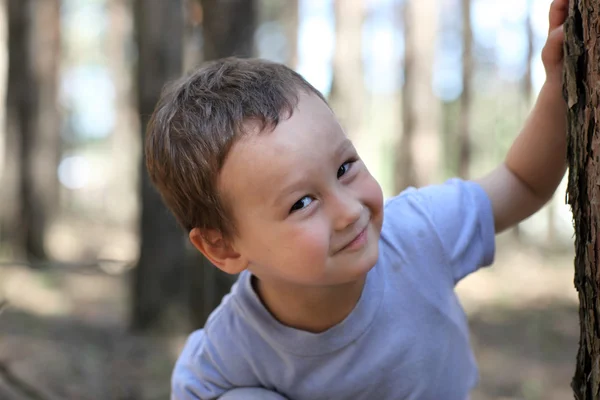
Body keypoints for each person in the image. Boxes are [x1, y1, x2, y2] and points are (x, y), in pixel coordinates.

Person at [145, 0, 568, 398]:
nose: (350, 211)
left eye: (345, 167)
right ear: (222, 246)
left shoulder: (418, 232)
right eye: (302, 203)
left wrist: (558, 87)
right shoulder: (234, 344)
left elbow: (522, 182)